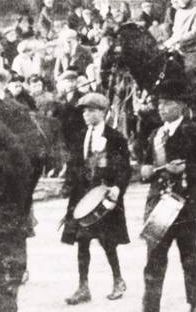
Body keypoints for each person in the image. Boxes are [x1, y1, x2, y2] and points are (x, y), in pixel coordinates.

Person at [139, 77, 196, 312]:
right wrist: (151, 170)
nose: (161, 108)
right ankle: (150, 307)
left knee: (189, 258)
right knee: (153, 261)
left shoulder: (195, 132)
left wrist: (186, 169)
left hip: (185, 205)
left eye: (167, 103)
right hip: (159, 206)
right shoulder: (155, 135)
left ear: (181, 106)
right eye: (159, 104)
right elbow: (144, 168)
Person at [61, 92, 131, 305]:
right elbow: (74, 164)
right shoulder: (79, 135)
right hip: (82, 197)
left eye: (91, 110)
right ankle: (83, 287)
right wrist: (68, 184)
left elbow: (124, 168)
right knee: (82, 242)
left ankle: (118, 280)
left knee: (107, 241)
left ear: (103, 112)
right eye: (84, 111)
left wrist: (118, 187)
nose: (86, 115)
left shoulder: (115, 137)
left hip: (105, 195)